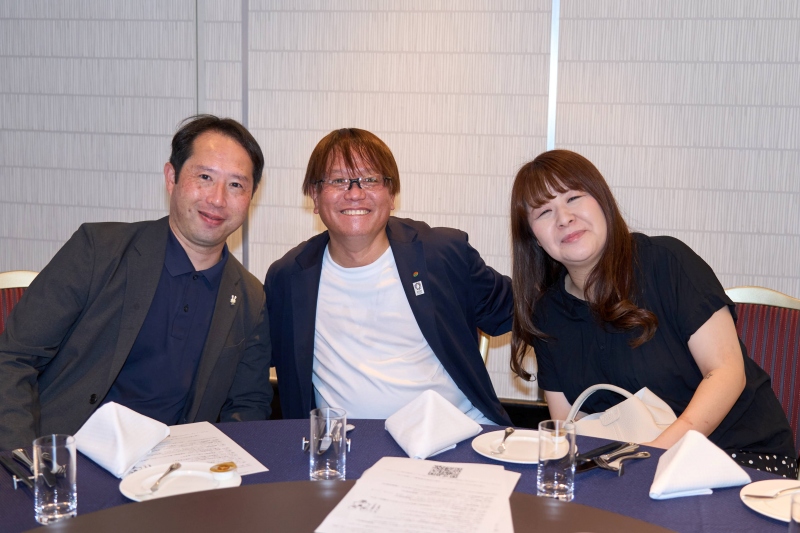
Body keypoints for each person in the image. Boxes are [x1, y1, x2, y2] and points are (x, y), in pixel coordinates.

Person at [509, 149, 797, 477]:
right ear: (533, 237)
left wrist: (650, 456)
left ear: (602, 201)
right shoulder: (547, 315)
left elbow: (726, 372)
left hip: (736, 455)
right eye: (544, 212)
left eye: (573, 197)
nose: (564, 218)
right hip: (628, 469)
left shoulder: (666, 262)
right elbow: (569, 426)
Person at [0, 115, 272, 451]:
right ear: (171, 177)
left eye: (236, 185)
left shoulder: (250, 297)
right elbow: (14, 358)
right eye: (204, 177)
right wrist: (26, 463)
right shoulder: (98, 251)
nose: (217, 199)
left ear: (250, 196)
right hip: (68, 460)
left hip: (173, 470)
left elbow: (247, 405)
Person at [265, 128, 513, 425]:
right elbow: (250, 360)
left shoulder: (440, 255)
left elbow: (523, 311)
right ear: (314, 197)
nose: (355, 193)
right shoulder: (289, 278)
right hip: (349, 445)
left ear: (392, 194)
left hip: (461, 434)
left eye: (370, 179)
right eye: (338, 180)